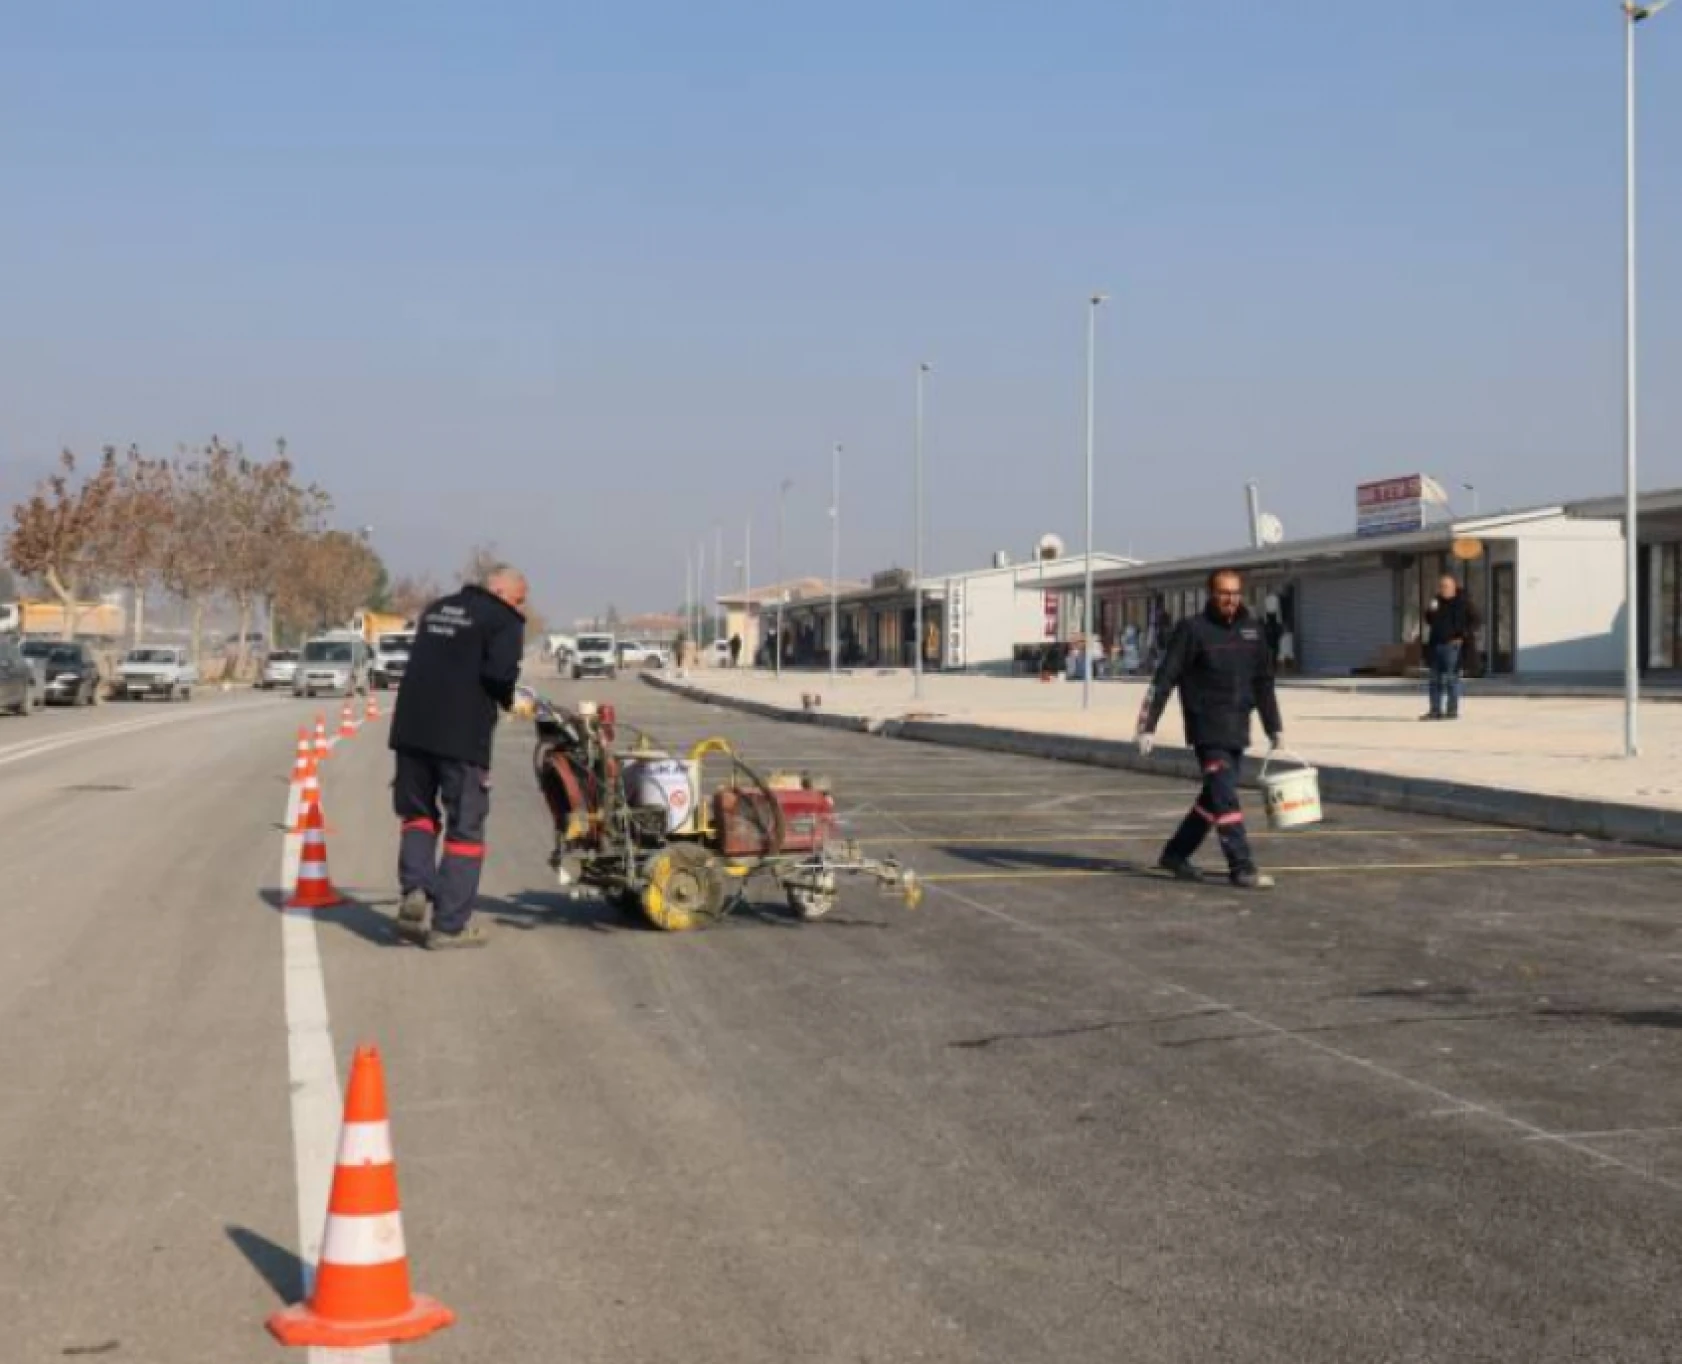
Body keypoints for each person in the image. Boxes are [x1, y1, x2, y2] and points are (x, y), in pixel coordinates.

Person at [390, 566, 532, 949]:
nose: (522, 608)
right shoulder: (503, 619)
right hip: (461, 738)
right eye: (520, 600)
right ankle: (448, 927)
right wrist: (510, 700)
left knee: (418, 816)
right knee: (465, 827)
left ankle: (416, 889)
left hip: (411, 731)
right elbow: (500, 676)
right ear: (502, 592)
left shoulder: (437, 609)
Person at [1134, 568, 1284, 890]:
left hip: (1237, 729)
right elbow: (1165, 678)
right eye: (1223, 593)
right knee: (1226, 798)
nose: (1230, 599)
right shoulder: (1193, 630)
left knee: (1213, 798)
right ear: (1210, 594)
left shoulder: (1253, 632)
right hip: (1207, 728)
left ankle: (1175, 854)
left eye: (1235, 593)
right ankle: (1242, 867)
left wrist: (1275, 727)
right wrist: (1147, 725)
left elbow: (1263, 684)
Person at [1423, 575, 1471, 721]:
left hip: (1452, 646)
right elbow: (1429, 620)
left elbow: (1474, 621)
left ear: (1453, 587)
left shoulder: (1462, 603)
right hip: (1436, 645)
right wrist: (1430, 610)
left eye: (1446, 586)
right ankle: (1435, 710)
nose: (1443, 589)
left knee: (1451, 679)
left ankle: (1451, 711)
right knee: (1434, 679)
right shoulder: (1437, 601)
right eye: (1441, 586)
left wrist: (1461, 636)